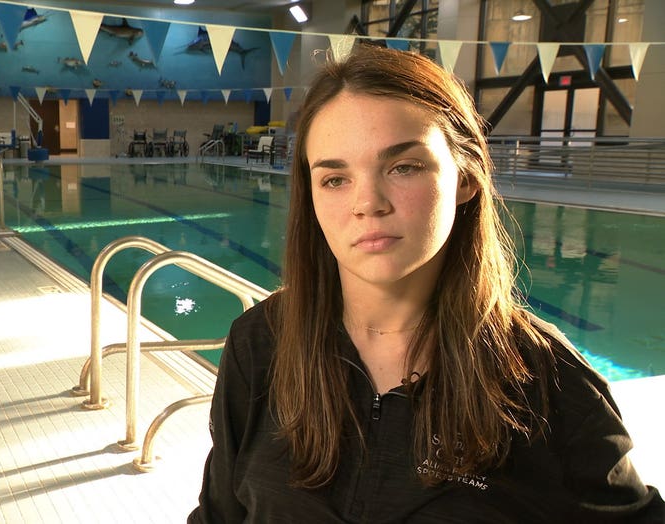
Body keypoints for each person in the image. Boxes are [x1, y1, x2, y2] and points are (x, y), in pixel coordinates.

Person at [189, 44, 663, 522]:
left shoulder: (549, 383)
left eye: (403, 167)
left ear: (466, 178)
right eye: (335, 178)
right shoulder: (261, 342)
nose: (367, 203)